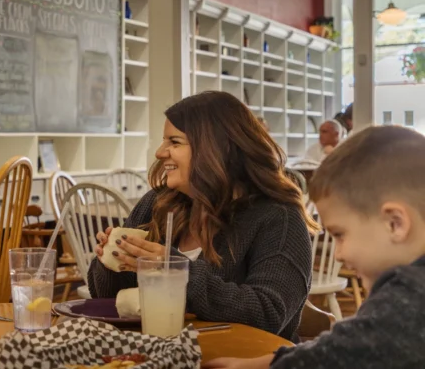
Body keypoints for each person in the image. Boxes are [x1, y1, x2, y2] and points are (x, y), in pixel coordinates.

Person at [88, 91, 317, 342]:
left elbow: (269, 312)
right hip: (160, 352)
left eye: (174, 142)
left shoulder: (278, 217)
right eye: (164, 141)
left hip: (245, 356)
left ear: (215, 148)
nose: (160, 152)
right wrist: (113, 262)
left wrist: (180, 274)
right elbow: (110, 300)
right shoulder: (157, 203)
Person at [204, 126, 425, 369]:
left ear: (395, 223)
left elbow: (339, 356)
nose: (339, 254)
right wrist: (262, 363)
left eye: (340, 235)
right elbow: (343, 347)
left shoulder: (411, 296)